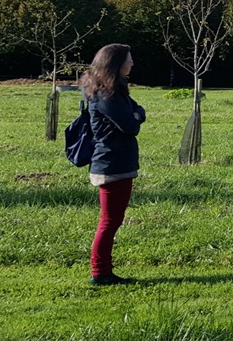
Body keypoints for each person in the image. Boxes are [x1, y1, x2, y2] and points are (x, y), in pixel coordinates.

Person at [81, 43, 144, 286]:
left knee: (113, 219)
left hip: (117, 162)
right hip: (111, 164)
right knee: (109, 221)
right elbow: (131, 125)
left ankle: (102, 270)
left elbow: (137, 112)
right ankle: (100, 272)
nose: (132, 63)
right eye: (129, 59)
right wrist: (136, 116)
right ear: (116, 64)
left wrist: (136, 114)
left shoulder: (115, 90)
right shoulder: (106, 94)